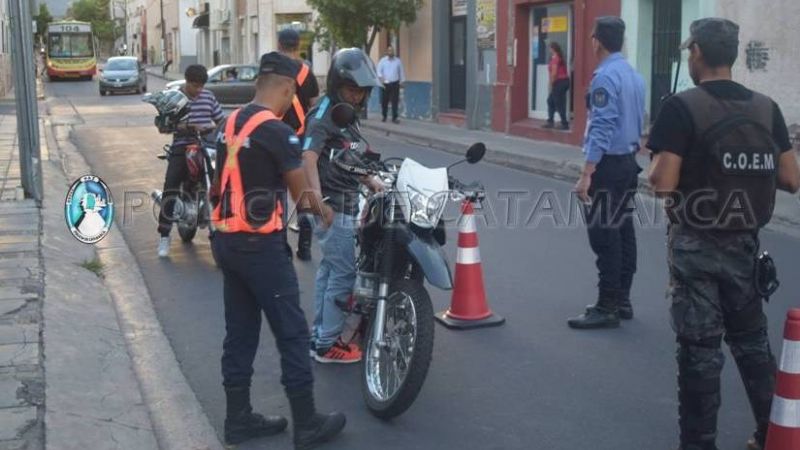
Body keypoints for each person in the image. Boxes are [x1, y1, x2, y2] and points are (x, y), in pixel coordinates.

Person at [647, 18, 800, 450]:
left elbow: (662, 184)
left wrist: (659, 155)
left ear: (696, 52)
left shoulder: (681, 107)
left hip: (695, 245)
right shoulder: (766, 108)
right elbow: (791, 179)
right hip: (745, 245)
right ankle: (775, 434)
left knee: (699, 352)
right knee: (752, 344)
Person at [210, 51, 345, 449]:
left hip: (226, 241)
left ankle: (238, 420)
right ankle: (306, 422)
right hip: (260, 248)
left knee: (240, 333)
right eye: (292, 96)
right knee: (292, 332)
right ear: (286, 89)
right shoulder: (277, 131)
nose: (292, 104)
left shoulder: (229, 121)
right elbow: (302, 199)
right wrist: (327, 210)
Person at [303, 48, 383, 363]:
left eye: (362, 92)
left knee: (330, 269)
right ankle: (326, 345)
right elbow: (308, 157)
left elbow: (346, 155)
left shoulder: (344, 114)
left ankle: (319, 333)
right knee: (344, 273)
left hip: (344, 201)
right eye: (352, 90)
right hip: (331, 205)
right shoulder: (324, 114)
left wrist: (369, 180)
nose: (357, 97)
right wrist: (318, 202)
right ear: (338, 85)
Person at [567, 17, 645, 330]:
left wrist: (587, 172)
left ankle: (607, 305)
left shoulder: (604, 77)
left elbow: (602, 125)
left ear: (597, 41)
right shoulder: (633, 75)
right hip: (627, 161)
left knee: (604, 235)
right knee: (623, 231)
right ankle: (622, 299)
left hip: (609, 166)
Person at [157, 64, 224, 258]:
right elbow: (164, 126)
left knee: (221, 180)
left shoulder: (209, 97)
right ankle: (164, 235)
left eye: (202, 86)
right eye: (195, 86)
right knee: (171, 185)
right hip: (182, 147)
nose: (199, 90)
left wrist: (220, 128)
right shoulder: (175, 98)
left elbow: (220, 119)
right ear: (187, 82)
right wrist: (187, 126)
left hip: (206, 147)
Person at [278, 28, 320, 261]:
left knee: (277, 191)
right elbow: (314, 107)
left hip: (273, 137)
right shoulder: (306, 72)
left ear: (279, 44)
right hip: (300, 138)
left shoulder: (272, 70)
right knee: (302, 191)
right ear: (298, 45)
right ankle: (304, 244)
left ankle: (280, 244)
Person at [543, 41, 570, 130]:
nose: (549, 50)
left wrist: (551, 84)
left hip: (560, 82)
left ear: (553, 49)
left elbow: (554, 73)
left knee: (558, 103)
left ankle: (564, 124)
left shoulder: (556, 59)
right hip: (563, 82)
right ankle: (550, 121)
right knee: (551, 101)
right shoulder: (558, 57)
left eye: (550, 48)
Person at [376, 45, 405, 123]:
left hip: (395, 83)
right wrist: (381, 78)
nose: (391, 52)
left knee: (394, 101)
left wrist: (402, 81)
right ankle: (384, 116)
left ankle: (394, 118)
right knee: (384, 101)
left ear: (394, 52)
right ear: (387, 52)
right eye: (389, 50)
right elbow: (378, 71)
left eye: (392, 50)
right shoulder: (383, 61)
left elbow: (401, 72)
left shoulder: (398, 61)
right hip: (385, 84)